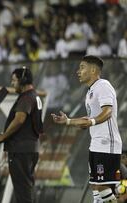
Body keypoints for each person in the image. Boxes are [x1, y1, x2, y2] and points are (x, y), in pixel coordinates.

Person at [51, 55, 122, 203]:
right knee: (95, 186)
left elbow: (108, 112)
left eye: (82, 67)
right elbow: (89, 119)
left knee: (102, 187)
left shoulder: (103, 85)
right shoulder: (90, 92)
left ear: (93, 70)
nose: (78, 71)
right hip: (96, 143)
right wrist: (68, 121)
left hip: (106, 143)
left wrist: (92, 121)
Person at [0, 67, 43, 203]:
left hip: (21, 150)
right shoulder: (34, 96)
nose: (12, 83)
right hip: (30, 149)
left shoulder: (27, 97)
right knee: (27, 188)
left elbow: (19, 119)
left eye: (14, 80)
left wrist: (4, 136)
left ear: (23, 80)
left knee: (22, 191)